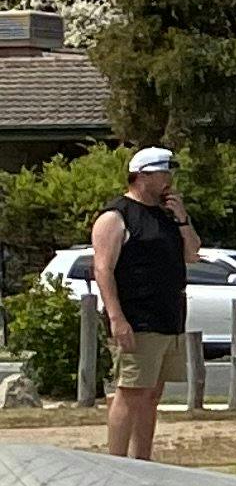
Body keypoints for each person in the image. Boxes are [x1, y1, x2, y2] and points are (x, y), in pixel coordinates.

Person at [85, 146, 195, 460]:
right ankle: (117, 461)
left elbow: (192, 254)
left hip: (169, 317)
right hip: (137, 318)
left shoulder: (166, 216)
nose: (168, 180)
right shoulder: (116, 216)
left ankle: (142, 461)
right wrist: (117, 317)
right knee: (130, 391)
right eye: (162, 173)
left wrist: (183, 220)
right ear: (142, 175)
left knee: (152, 394)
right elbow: (103, 269)